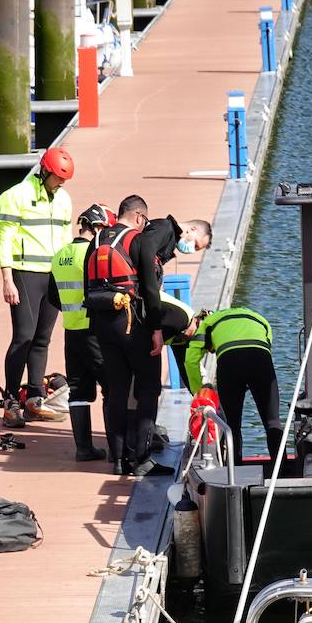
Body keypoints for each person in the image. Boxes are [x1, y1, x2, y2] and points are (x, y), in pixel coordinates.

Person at [85, 203, 212, 476]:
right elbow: (150, 287)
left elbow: (89, 284)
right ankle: (142, 459)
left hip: (102, 323)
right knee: (148, 389)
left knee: (117, 390)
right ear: (139, 217)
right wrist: (155, 328)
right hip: (133, 323)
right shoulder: (141, 239)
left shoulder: (96, 240)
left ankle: (119, 459)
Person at [0, 146, 75, 424]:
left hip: (53, 276)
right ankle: (9, 401)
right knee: (24, 337)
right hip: (25, 274)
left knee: (42, 340)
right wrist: (7, 279)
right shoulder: (15, 197)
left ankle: (35, 397)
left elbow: (66, 240)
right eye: (57, 178)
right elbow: (4, 239)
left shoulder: (64, 199)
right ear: (44, 172)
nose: (62, 183)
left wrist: (68, 279)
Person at [49, 203, 117, 462]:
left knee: (78, 391)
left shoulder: (60, 255)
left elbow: (53, 297)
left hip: (71, 330)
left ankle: (84, 449)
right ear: (97, 227)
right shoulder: (92, 254)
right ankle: (116, 449)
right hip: (94, 330)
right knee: (111, 387)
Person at [188, 306, 283, 463]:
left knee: (232, 424)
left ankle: (235, 470)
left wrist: (198, 391)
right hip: (261, 359)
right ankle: (281, 469)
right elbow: (267, 346)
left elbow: (190, 359)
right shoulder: (260, 318)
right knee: (272, 421)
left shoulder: (208, 322)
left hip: (229, 362)